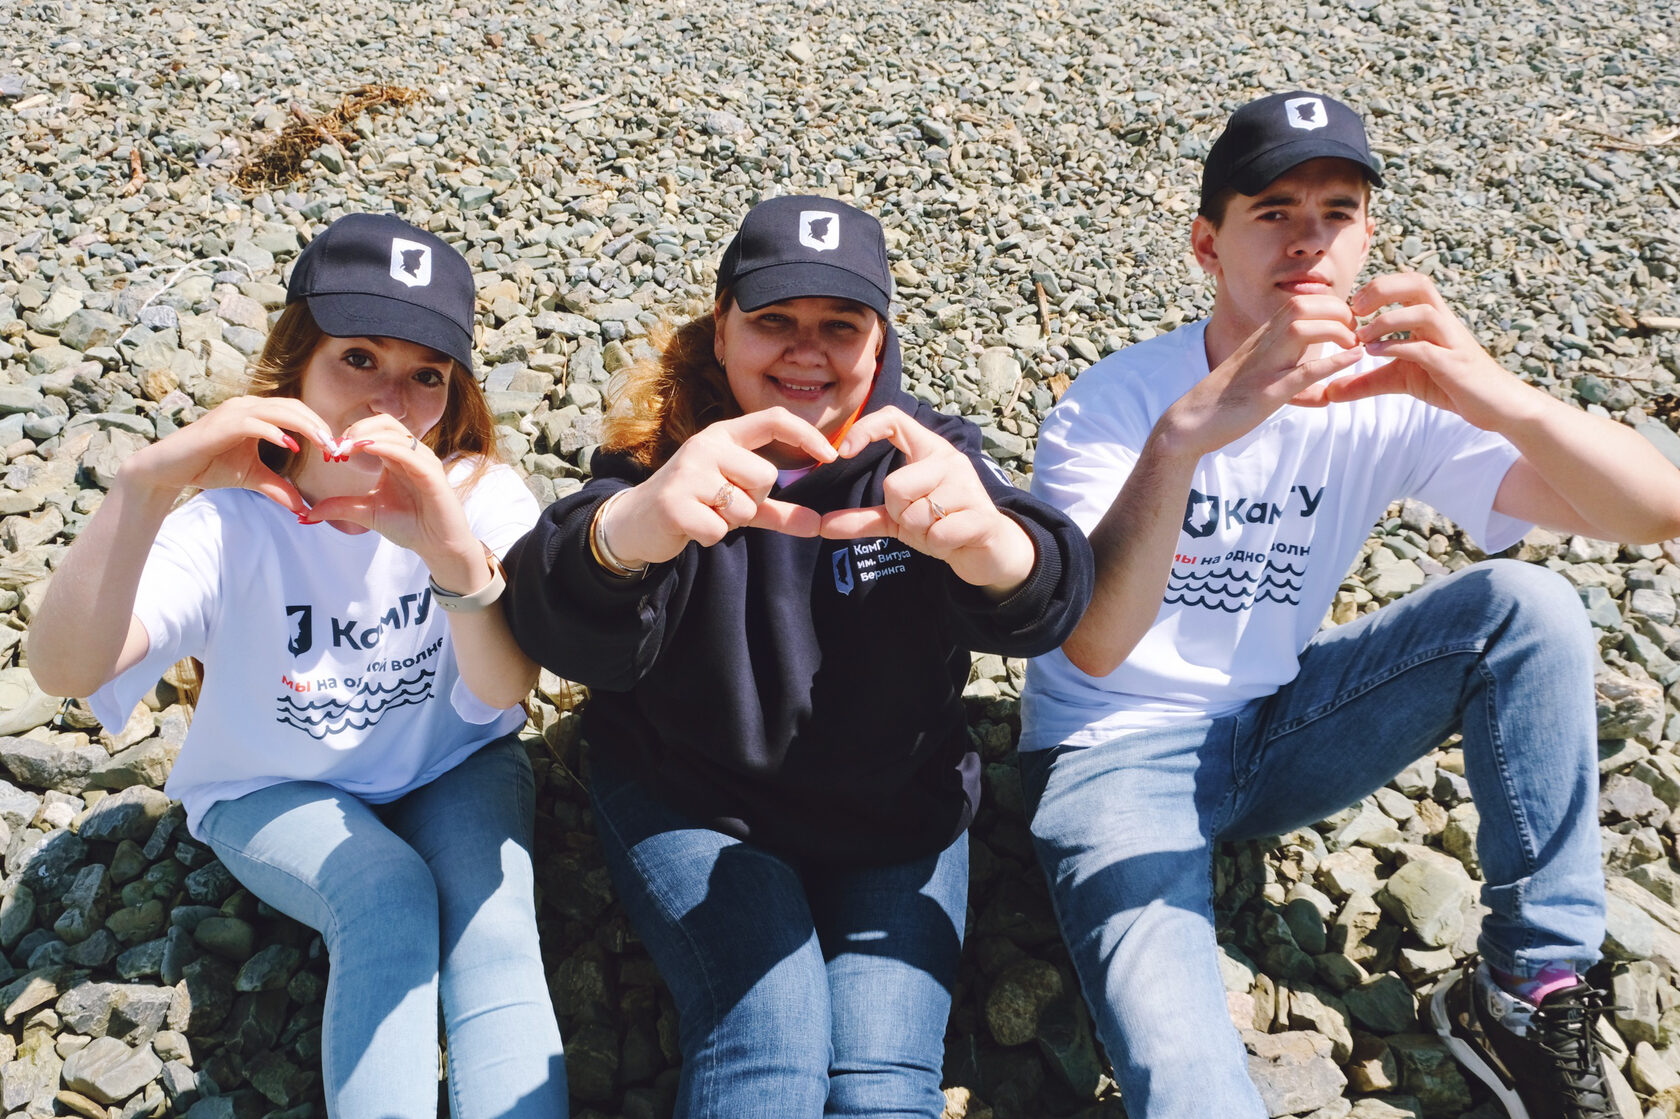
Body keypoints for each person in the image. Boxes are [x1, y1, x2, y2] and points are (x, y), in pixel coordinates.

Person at [1019, 91, 1680, 1119]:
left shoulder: (1381, 393)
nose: (1308, 239)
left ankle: (1524, 991)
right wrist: (1184, 440)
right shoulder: (1120, 402)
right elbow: (1095, 647)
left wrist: (1495, 393)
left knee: (1527, 605)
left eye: (1337, 212)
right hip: (1114, 755)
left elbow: (1651, 512)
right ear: (1208, 244)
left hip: (1280, 733)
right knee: (1189, 1080)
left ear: (1367, 239)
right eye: (1273, 212)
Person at [500, 195, 1093, 1118]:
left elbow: (1051, 586)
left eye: (840, 325)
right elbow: (552, 618)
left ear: (880, 341)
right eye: (774, 320)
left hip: (897, 814)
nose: (806, 351)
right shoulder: (669, 459)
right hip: (694, 800)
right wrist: (627, 534)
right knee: (766, 1041)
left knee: (883, 1084)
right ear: (722, 328)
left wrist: (995, 550)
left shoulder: (923, 459)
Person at [27, 213, 568, 1119]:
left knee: (496, 929)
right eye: (358, 358)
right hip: (272, 785)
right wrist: (143, 486)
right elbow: (63, 669)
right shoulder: (228, 524)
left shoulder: (478, 495)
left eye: (426, 375)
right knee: (386, 896)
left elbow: (502, 688)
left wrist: (450, 554)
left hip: (454, 760)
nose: (390, 402)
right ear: (295, 367)